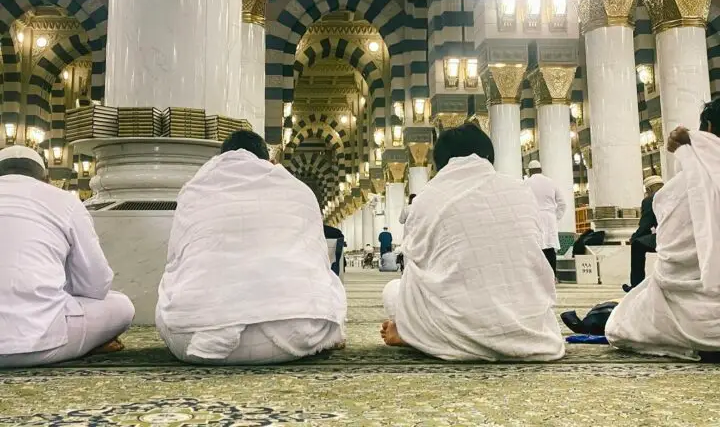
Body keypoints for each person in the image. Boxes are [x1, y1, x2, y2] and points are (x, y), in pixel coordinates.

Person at [156, 130, 347, 365]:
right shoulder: (299, 191)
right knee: (330, 282)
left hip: (195, 338)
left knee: (169, 286)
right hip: (295, 333)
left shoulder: (194, 191)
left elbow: (175, 262)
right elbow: (319, 264)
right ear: (269, 161)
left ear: (219, 159)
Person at [380, 124, 564, 361]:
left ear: (440, 163)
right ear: (488, 156)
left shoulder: (427, 197)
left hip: (456, 328)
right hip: (530, 328)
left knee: (393, 291)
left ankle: (415, 334)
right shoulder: (521, 190)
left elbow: (414, 266)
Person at [606, 98, 720, 360]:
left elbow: (671, 263)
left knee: (621, 322)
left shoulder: (677, 192)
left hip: (698, 325)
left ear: (709, 128)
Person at [0, 146, 134, 368]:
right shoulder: (63, 201)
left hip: (40, 335)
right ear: (46, 179)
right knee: (122, 306)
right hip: (42, 344)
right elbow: (96, 285)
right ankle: (88, 344)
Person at [622, 175, 664, 293]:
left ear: (648, 190)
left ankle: (636, 285)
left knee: (637, 245)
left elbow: (645, 225)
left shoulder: (650, 199)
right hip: (685, 236)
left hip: (666, 237)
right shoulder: (672, 194)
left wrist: (634, 237)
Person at [525, 160, 567, 275]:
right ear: (541, 170)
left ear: (529, 171)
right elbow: (563, 203)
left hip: (534, 218)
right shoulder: (551, 182)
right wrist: (555, 217)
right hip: (549, 219)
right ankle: (553, 276)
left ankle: (538, 278)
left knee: (536, 249)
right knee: (550, 248)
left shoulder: (526, 183)